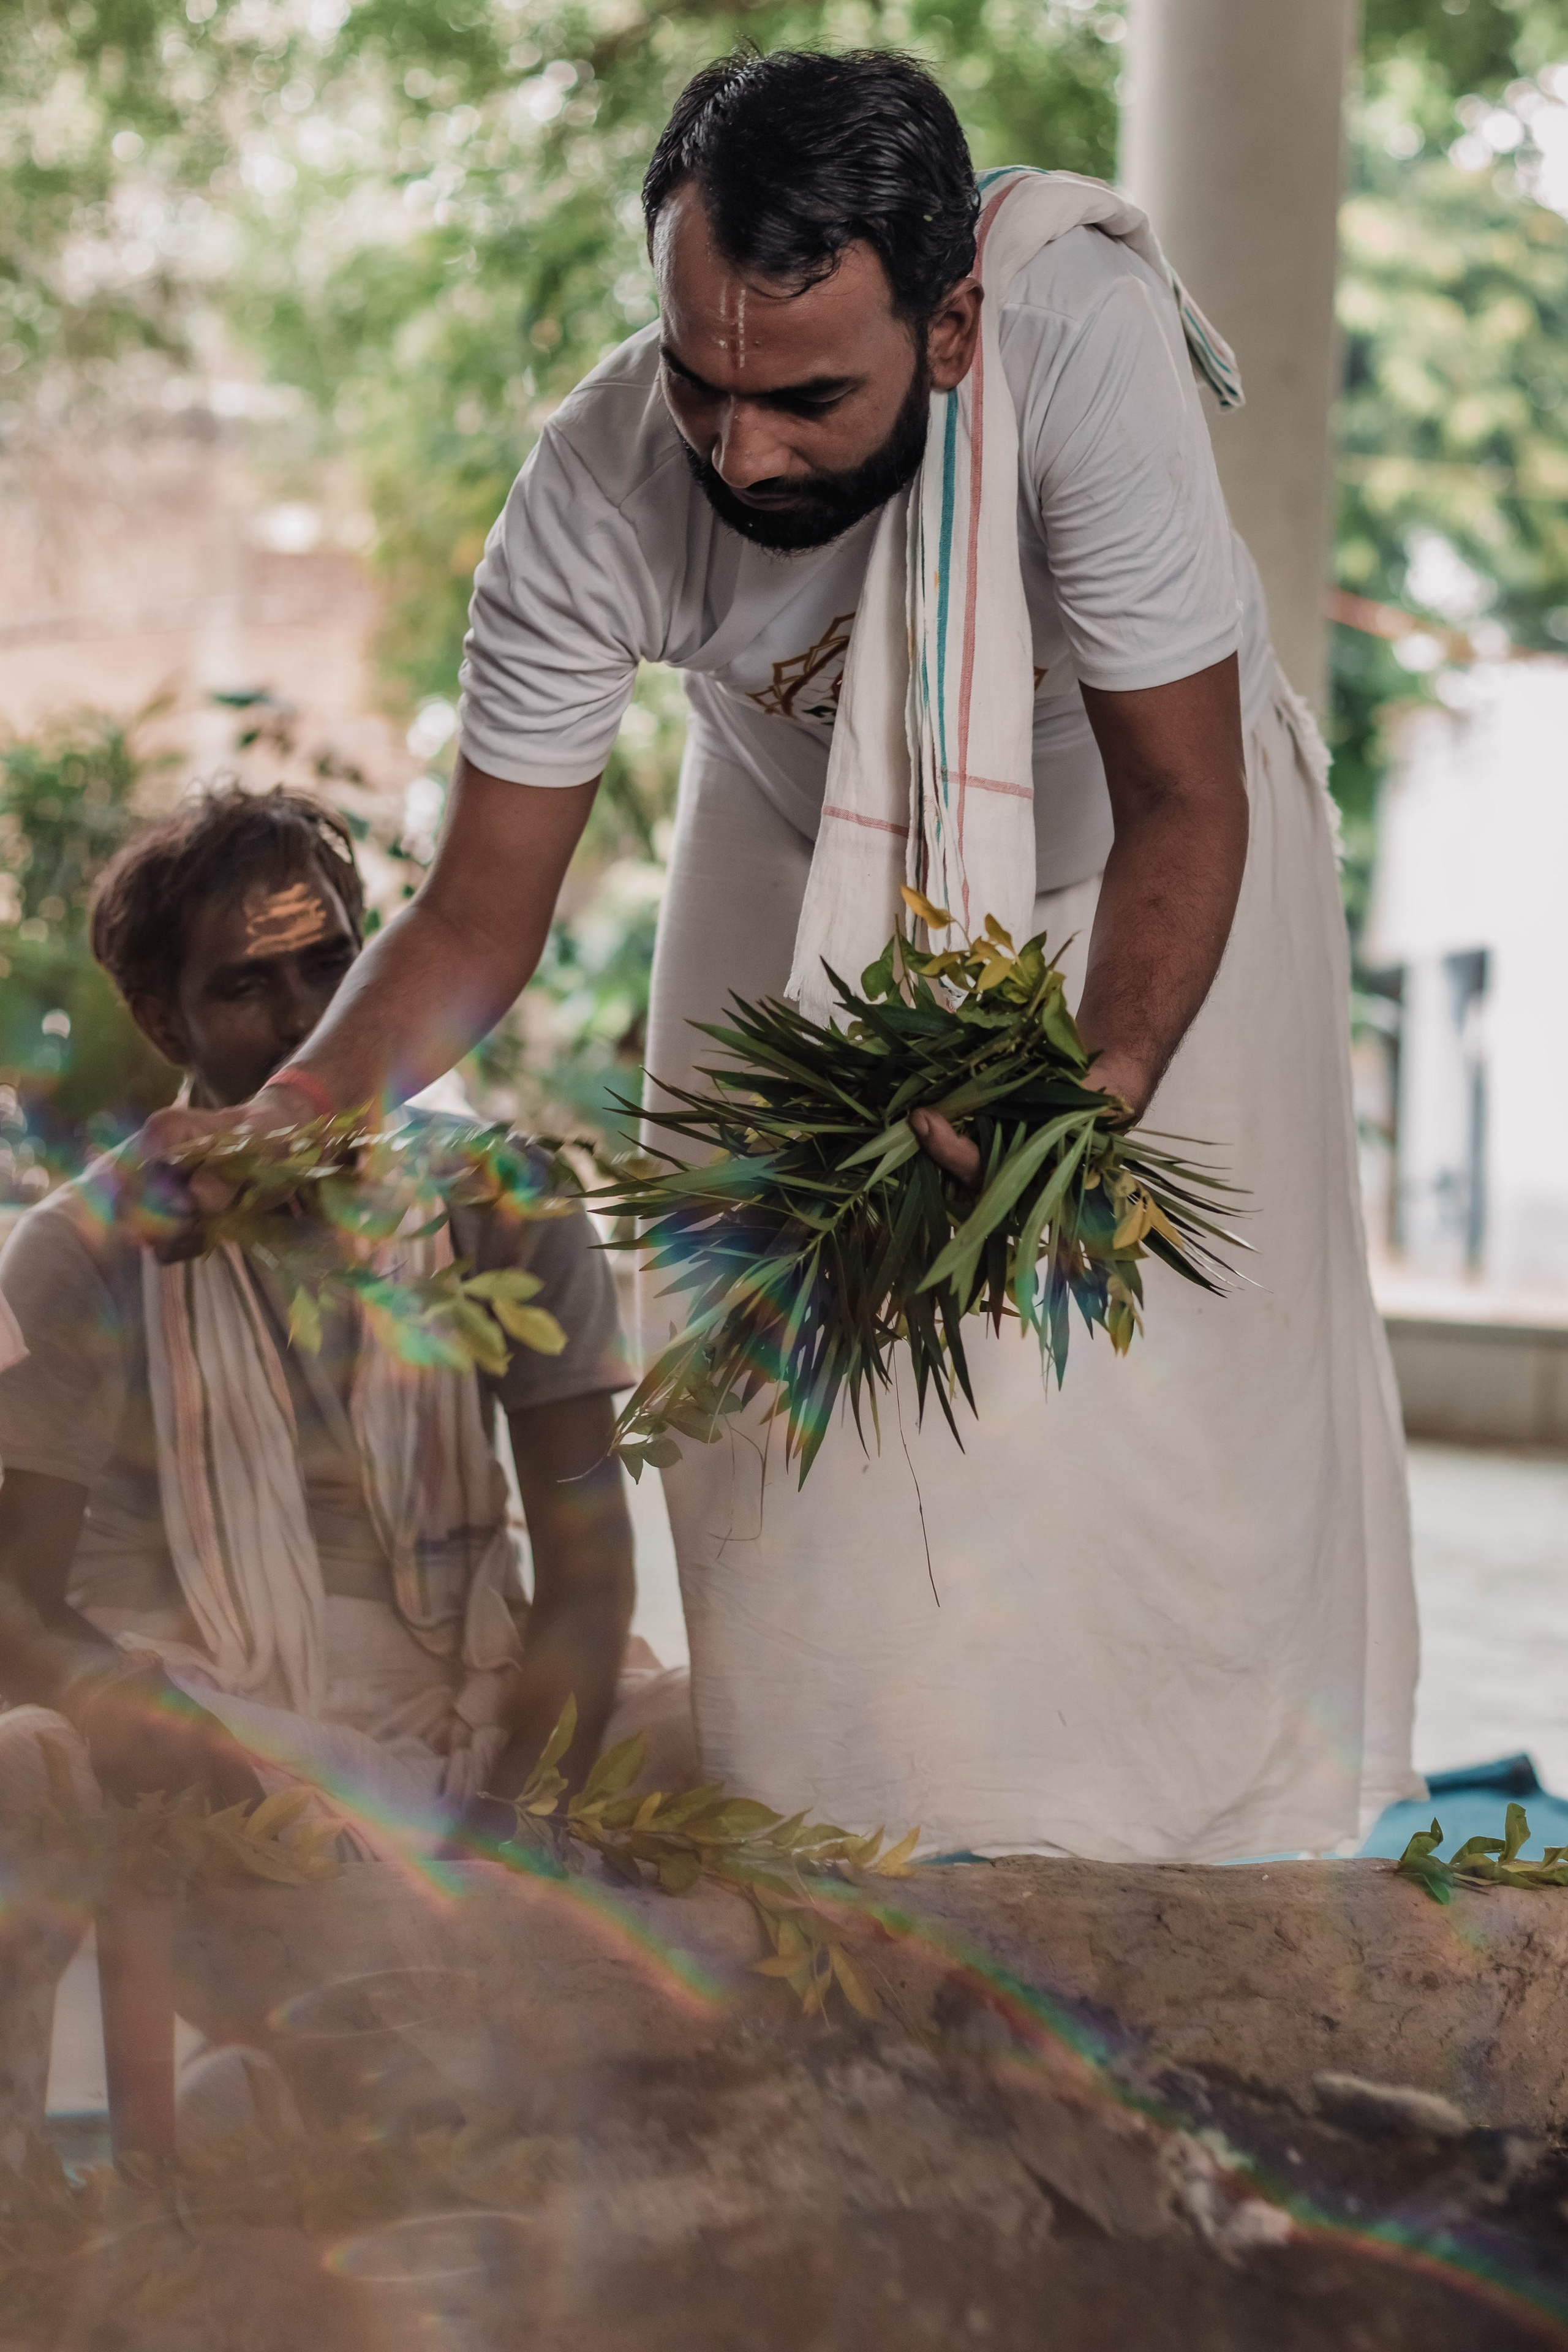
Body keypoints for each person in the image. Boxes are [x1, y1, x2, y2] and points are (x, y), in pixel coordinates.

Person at [127, 50, 1422, 1866]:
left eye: (809, 397)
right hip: (803, 826)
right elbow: (480, 911)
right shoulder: (597, 484)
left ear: (948, 329)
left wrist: (1089, 1091)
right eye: (701, 381)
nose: (740, 452)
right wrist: (299, 1111)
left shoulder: (1077, 350)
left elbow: (1181, 798)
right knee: (768, 1381)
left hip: (1135, 856)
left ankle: (1208, 1862)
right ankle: (840, 1836)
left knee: (1170, 1412)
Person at [0, 783, 696, 2145]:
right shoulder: (83, 1248)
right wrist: (166, 1732)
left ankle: (332, 2102)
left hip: (490, 1704)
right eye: (247, 987)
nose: (307, 1018)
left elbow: (587, 1571)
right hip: (232, 1724)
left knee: (738, 1730)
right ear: (164, 1025)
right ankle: (54, 2204)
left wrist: (509, 1822)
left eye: (334, 965)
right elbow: (17, 1606)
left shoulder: (497, 1195)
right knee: (24, 1760)